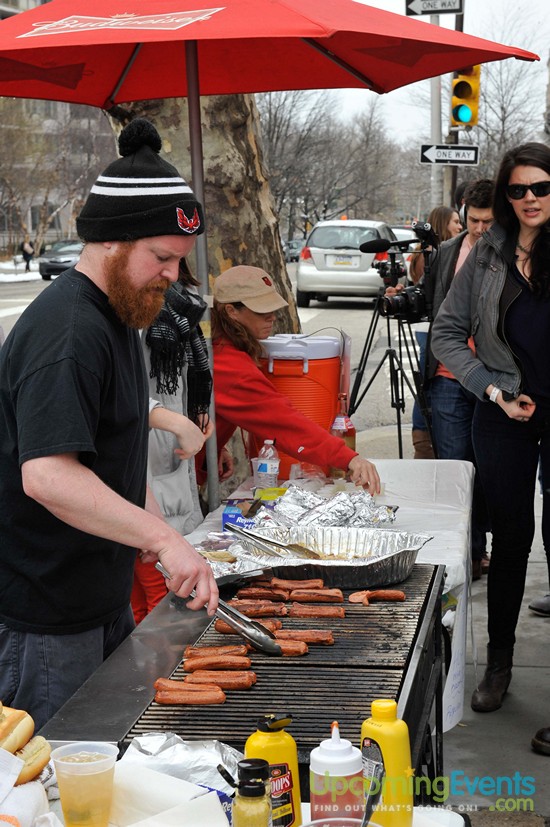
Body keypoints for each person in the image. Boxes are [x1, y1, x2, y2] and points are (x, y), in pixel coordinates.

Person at [0, 118, 218, 730]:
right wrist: (162, 539)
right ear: (114, 242)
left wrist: (161, 538)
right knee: (54, 789)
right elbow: (47, 475)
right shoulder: (68, 330)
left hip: (99, 599)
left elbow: (113, 452)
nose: (174, 275)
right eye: (163, 257)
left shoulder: (123, 314)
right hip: (44, 618)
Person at [430, 144, 550, 732]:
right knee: (508, 541)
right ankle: (498, 664)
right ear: (504, 195)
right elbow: (446, 334)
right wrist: (492, 389)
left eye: (541, 187)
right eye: (518, 189)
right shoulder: (486, 255)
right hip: (503, 411)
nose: (530, 199)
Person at [199, 265, 381, 493]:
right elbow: (283, 421)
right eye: (261, 311)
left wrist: (215, 445)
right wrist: (348, 458)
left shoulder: (219, 347)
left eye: (272, 308)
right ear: (231, 311)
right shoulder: (228, 363)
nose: (272, 317)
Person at [131, 259, 231, 624]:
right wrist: (174, 421)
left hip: (172, 468)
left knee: (153, 599)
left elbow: (194, 383)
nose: (169, 269)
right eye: (161, 256)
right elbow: (113, 395)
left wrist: (206, 441)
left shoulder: (183, 304)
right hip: (142, 475)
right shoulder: (132, 307)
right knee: (161, 600)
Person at [408, 205, 463, 460]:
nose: (459, 226)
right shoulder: (432, 255)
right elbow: (426, 294)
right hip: (428, 331)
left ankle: (424, 441)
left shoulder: (438, 252)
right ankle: (423, 441)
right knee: (426, 385)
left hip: (433, 330)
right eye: (455, 221)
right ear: (443, 224)